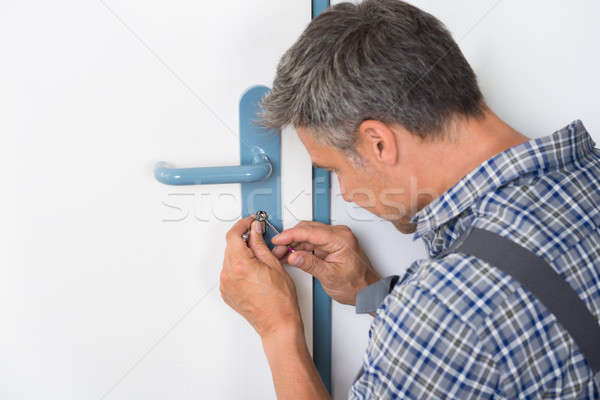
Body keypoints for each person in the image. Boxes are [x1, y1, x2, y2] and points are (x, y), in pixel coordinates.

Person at [219, 0, 600, 398]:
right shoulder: (586, 176)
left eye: (334, 170)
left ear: (378, 142)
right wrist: (370, 288)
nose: (346, 193)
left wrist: (278, 328)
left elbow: (458, 321)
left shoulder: (444, 310)